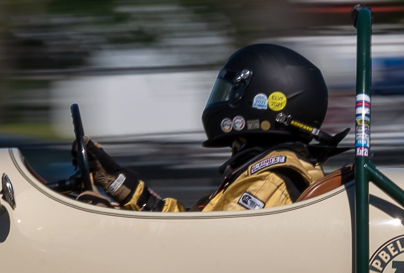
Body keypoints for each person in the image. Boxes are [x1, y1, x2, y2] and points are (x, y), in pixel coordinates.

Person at [65, 43, 340, 212]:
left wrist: (108, 225)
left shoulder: (272, 180)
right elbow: (196, 226)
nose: (222, 99)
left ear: (262, 100)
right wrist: (117, 182)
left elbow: (209, 251)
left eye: (231, 90)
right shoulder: (262, 171)